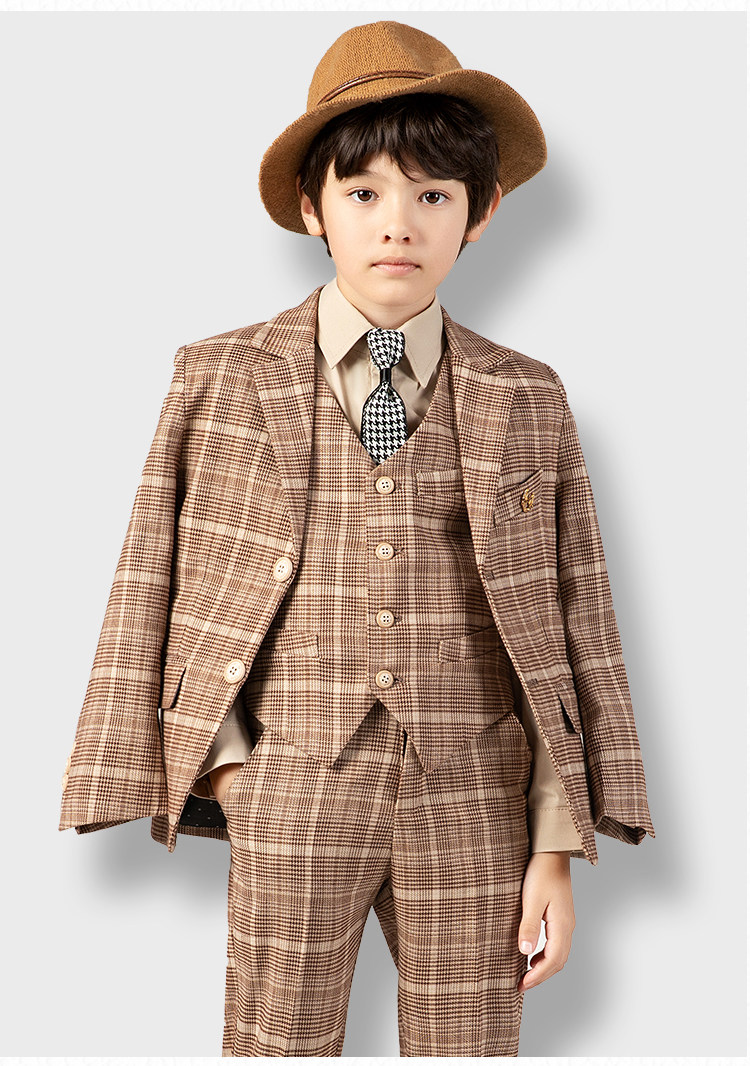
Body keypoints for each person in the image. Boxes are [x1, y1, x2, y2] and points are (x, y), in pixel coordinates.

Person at [59, 20, 655, 1057]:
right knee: (275, 1045)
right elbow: (158, 575)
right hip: (290, 782)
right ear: (312, 206)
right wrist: (233, 773)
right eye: (364, 193)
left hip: (476, 795)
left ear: (482, 212)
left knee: (469, 1046)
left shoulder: (529, 394)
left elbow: (569, 618)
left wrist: (555, 844)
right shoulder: (218, 376)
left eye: (433, 196)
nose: (398, 226)